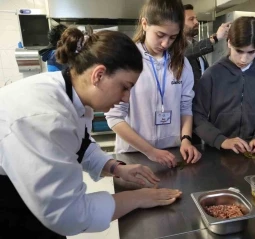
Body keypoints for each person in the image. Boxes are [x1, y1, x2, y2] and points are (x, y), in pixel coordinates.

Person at [0, 28, 182, 238]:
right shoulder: (44, 117)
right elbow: (68, 215)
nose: (126, 98)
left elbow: (81, 143)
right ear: (99, 75)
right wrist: (138, 198)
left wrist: (116, 168)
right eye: (124, 87)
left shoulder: (68, 91)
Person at [105, 0, 202, 169]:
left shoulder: (182, 63)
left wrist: (186, 139)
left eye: (172, 37)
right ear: (144, 24)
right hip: (134, 154)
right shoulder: (126, 60)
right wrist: (150, 151)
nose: (165, 43)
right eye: (160, 35)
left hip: (172, 153)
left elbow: (185, 107)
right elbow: (114, 117)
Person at [193, 17, 255, 155]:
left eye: (251, 52)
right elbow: (198, 116)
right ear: (229, 42)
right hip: (218, 150)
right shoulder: (212, 75)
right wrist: (220, 140)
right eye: (239, 51)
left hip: (253, 149)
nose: (244, 59)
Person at [183, 4, 231, 84]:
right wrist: (215, 37)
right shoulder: (173, 46)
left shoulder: (196, 44)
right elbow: (186, 53)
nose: (196, 22)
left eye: (196, 18)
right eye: (191, 19)